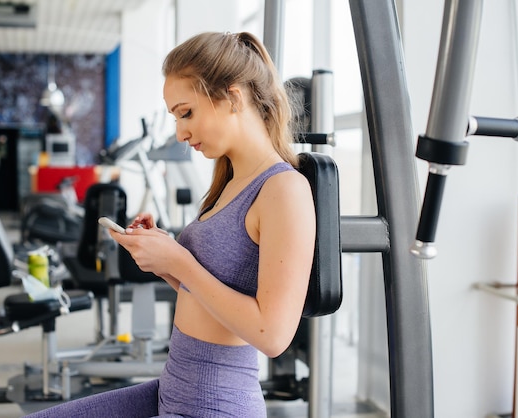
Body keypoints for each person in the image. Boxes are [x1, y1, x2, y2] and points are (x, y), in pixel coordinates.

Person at [25, 31, 316, 417]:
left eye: (187, 113)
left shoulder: (284, 189)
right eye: (177, 118)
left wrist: (179, 262)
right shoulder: (229, 182)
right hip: (174, 387)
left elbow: (273, 335)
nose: (180, 133)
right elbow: (207, 288)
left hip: (215, 404)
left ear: (233, 97)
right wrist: (164, 256)